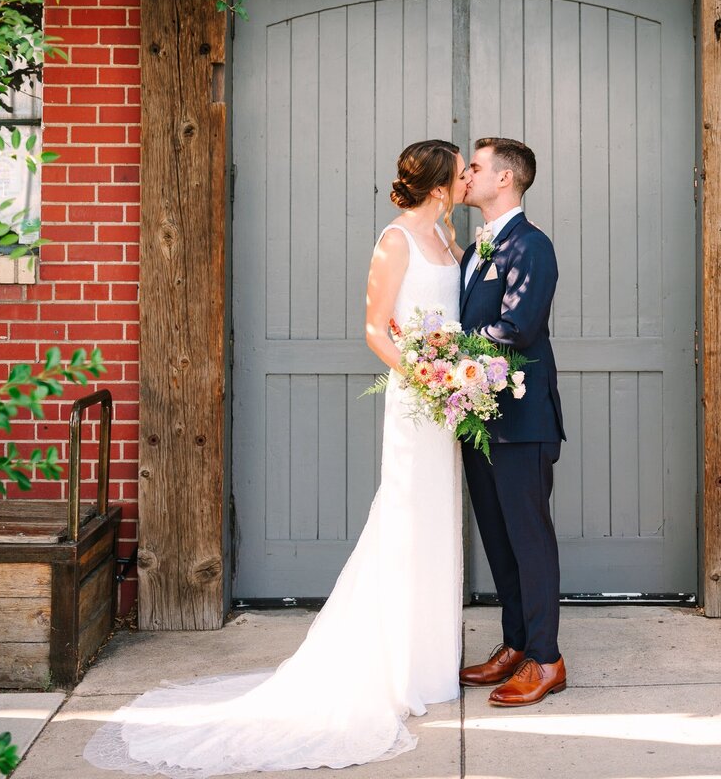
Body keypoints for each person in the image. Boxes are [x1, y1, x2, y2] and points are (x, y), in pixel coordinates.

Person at [84, 139, 467, 775]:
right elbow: (375, 329)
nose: (465, 179)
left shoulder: (449, 237)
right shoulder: (394, 240)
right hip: (417, 399)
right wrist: (426, 377)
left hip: (449, 400)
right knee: (404, 523)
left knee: (437, 525)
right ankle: (393, 667)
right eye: (459, 173)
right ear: (437, 183)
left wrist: (459, 375)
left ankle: (429, 664)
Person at [458, 136, 566, 707]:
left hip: (522, 419)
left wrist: (445, 353)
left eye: (475, 167)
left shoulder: (531, 246)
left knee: (529, 537)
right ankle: (516, 644)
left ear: (505, 179)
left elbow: (518, 328)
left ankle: (546, 659)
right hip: (478, 416)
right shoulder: (477, 248)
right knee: (498, 540)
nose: (466, 175)